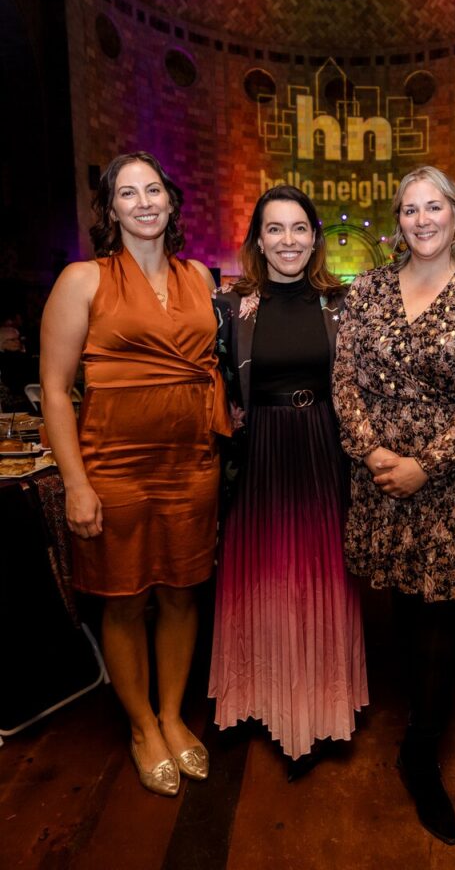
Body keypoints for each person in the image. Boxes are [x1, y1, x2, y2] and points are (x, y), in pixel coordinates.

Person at [333, 166, 455, 845]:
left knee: (440, 608)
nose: (420, 219)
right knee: (403, 601)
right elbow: (344, 376)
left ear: (454, 214)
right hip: (380, 470)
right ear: (397, 221)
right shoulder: (371, 289)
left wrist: (424, 465)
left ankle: (421, 751)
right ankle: (414, 715)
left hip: (450, 476)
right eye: (408, 209)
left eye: (431, 206)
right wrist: (370, 451)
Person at [41, 151, 231, 797]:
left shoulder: (201, 276)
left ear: (171, 202)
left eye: (154, 189)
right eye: (129, 192)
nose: (144, 201)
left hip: (191, 464)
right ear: (112, 209)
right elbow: (54, 386)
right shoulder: (82, 279)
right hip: (113, 467)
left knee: (181, 592)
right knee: (125, 600)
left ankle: (174, 715)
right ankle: (142, 725)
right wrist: (75, 482)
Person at [209, 184, 368, 780]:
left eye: (299, 228)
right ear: (257, 240)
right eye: (274, 229)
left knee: (319, 576)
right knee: (264, 577)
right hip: (260, 456)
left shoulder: (341, 304)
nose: (288, 241)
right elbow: (212, 380)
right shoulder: (232, 305)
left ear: (316, 238)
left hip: (322, 449)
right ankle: (259, 701)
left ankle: (321, 707)